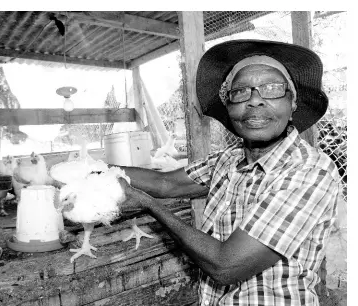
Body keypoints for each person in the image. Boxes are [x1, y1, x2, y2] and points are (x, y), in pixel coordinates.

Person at [116, 40, 340, 306]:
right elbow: (165, 183)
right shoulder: (228, 159)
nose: (255, 101)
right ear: (229, 107)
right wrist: (94, 172)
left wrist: (150, 206)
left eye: (272, 89)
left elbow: (226, 266)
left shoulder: (309, 171)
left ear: (293, 104)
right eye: (241, 92)